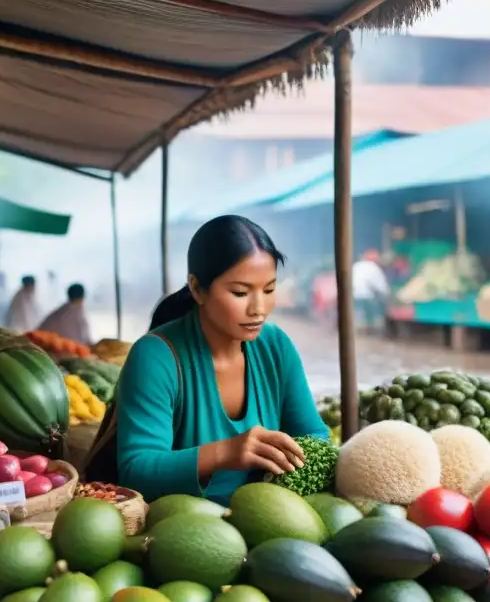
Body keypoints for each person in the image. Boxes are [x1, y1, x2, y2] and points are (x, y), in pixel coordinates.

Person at [111, 215, 328, 505]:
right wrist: (226, 452)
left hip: (267, 516)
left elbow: (315, 436)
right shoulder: (154, 357)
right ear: (198, 288)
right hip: (182, 530)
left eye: (269, 289)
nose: (259, 309)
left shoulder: (276, 346)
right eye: (240, 292)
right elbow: (136, 470)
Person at [352, 248, 390, 333]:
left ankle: (360, 331)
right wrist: (387, 294)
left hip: (354, 295)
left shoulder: (356, 266)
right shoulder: (373, 267)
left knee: (359, 315)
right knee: (375, 315)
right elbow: (380, 284)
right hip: (367, 295)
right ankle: (376, 331)